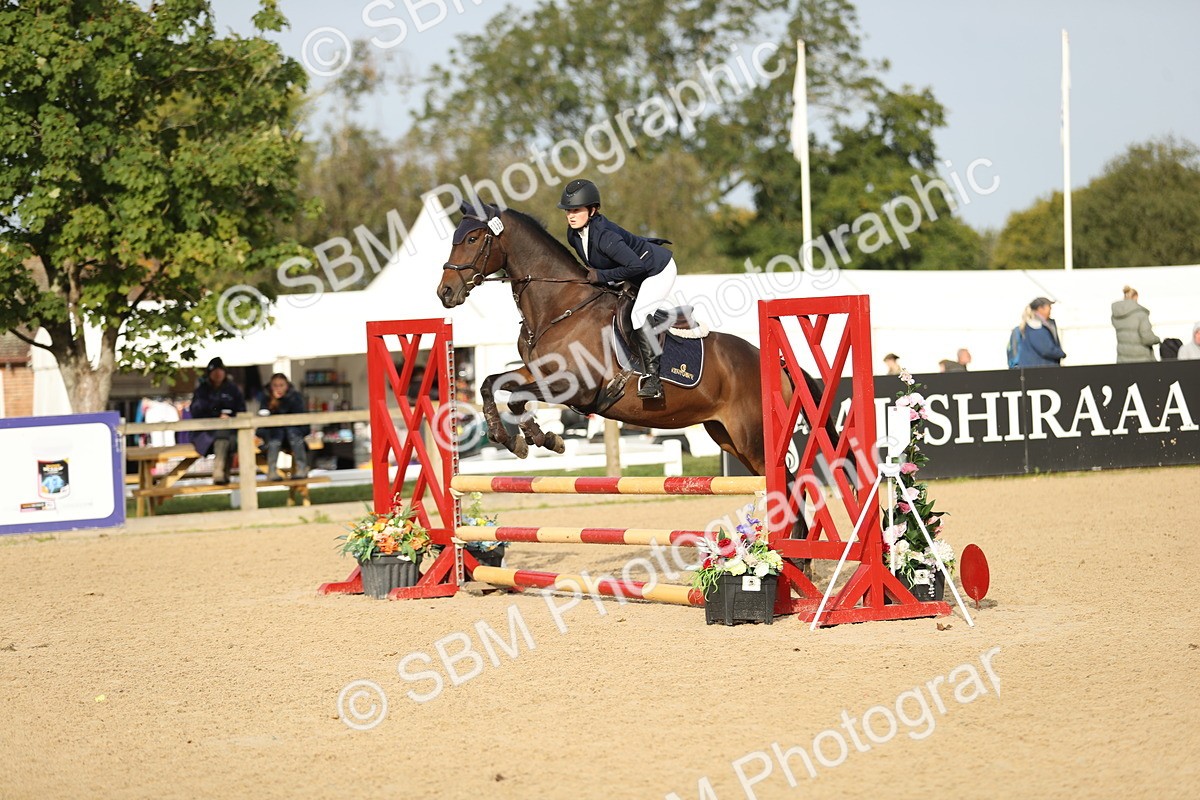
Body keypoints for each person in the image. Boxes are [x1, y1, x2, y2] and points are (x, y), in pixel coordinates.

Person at [558, 178, 676, 399]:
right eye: (567, 211)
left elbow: (636, 266)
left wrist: (601, 276)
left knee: (639, 313)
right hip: (631, 271)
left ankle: (653, 380)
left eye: (576, 210)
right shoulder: (573, 235)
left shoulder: (605, 236)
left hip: (656, 271)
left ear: (592, 210)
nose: (570, 215)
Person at [189, 357, 246, 485]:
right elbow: (197, 410)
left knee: (229, 438)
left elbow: (241, 409)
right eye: (215, 371)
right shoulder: (202, 391)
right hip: (206, 433)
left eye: (220, 371)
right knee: (222, 437)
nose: (218, 374)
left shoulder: (233, 390)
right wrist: (216, 413)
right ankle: (219, 472)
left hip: (231, 431)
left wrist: (230, 416)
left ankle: (223, 473)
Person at [256, 373, 309, 481]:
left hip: (293, 436)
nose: (278, 388)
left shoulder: (295, 397)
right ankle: (272, 470)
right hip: (273, 437)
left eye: (281, 385)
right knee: (276, 434)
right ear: (271, 386)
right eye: (275, 385)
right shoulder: (266, 398)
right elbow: (262, 422)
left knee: (292, 432)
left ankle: (302, 468)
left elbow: (302, 421)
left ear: (287, 385)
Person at [1110, 286, 1161, 363]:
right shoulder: (1141, 314)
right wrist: (1157, 339)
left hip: (1123, 359)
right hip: (1141, 359)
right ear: (1136, 296)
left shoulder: (1116, 315)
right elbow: (1146, 338)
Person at [1015, 298, 1066, 368]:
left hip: (1035, 369)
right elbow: (1046, 349)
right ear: (1040, 308)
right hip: (1039, 370)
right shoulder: (1035, 325)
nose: (1051, 309)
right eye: (1049, 306)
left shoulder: (1034, 324)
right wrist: (1061, 354)